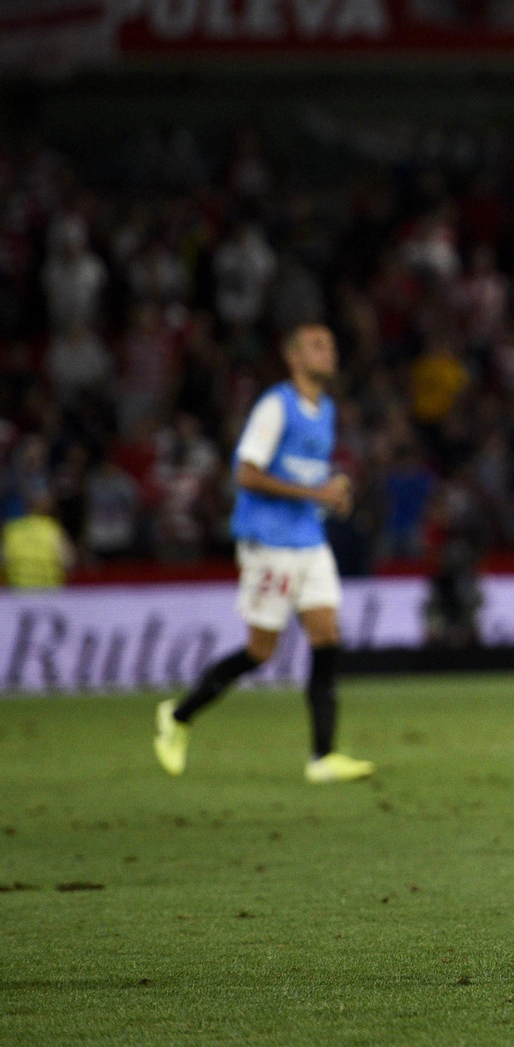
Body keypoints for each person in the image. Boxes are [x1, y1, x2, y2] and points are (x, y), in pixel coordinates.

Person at [153, 323, 374, 784]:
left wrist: (335, 491)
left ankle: (322, 756)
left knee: (327, 638)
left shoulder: (326, 410)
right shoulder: (276, 406)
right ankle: (177, 717)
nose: (328, 352)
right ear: (293, 358)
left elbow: (311, 472)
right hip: (269, 542)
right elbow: (247, 473)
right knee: (260, 651)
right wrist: (315, 494)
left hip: (310, 542)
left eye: (331, 345)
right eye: (317, 345)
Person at [2, 490, 74, 590]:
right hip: (48, 590)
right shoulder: (52, 528)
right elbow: (69, 560)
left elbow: (3, 558)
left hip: (17, 590)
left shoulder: (12, 528)